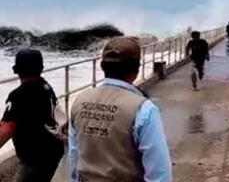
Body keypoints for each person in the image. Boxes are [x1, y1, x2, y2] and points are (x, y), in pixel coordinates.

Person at [69, 37, 172, 181]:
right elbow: (159, 173)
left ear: (102, 67)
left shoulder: (80, 100)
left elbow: (74, 156)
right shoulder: (143, 109)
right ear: (136, 70)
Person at [0, 49, 64, 182]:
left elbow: (8, 128)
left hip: (36, 157)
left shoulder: (18, 95)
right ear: (41, 68)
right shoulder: (45, 86)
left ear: (15, 70)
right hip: (52, 150)